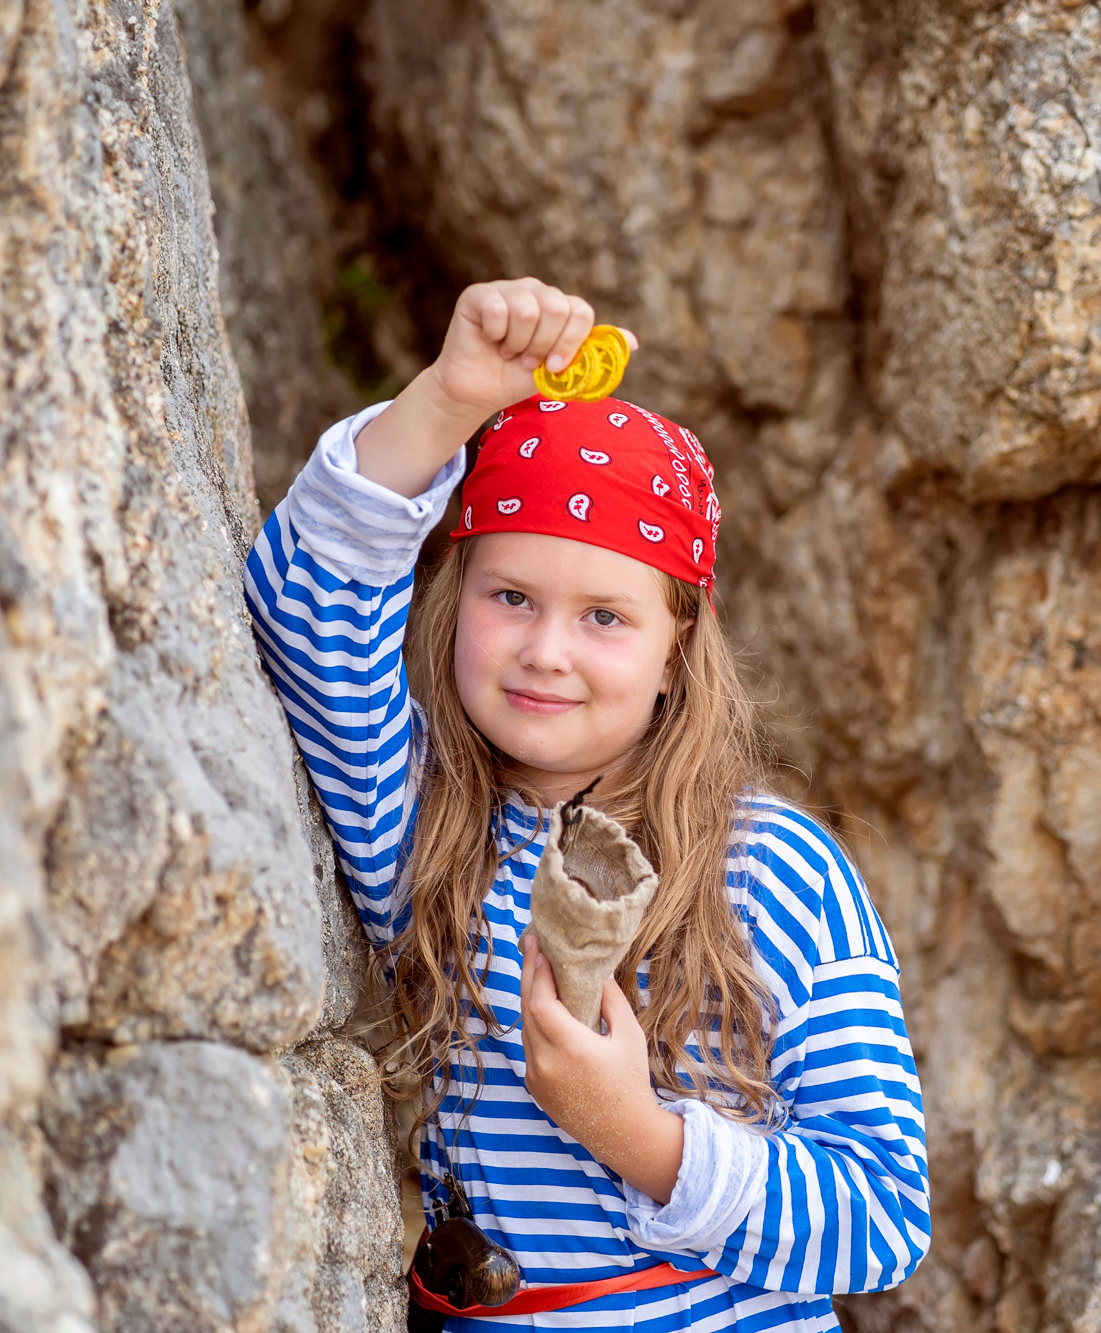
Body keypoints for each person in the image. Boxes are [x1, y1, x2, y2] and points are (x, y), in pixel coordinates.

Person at [244, 277, 929, 1330]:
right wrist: (449, 396)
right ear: (454, 598)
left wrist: (637, 1133)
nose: (545, 651)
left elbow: (882, 1214)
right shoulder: (418, 824)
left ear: (674, 654)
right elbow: (305, 608)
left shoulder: (772, 871)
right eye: (509, 595)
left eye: (604, 616)